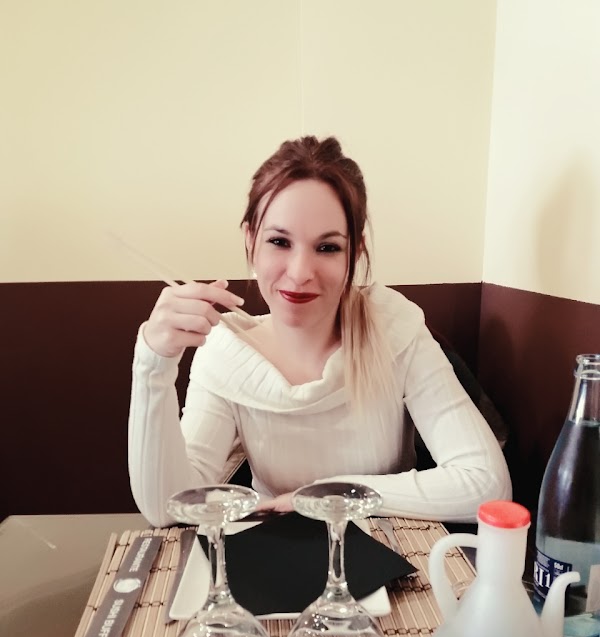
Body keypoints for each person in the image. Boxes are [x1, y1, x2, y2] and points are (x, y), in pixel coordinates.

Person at [128, 135, 511, 528]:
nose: (299, 273)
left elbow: (485, 483)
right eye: (279, 241)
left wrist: (326, 497)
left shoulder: (394, 330)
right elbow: (168, 507)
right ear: (250, 241)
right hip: (272, 551)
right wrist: (153, 365)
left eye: (327, 248)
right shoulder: (227, 354)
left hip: (387, 550)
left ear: (355, 252)